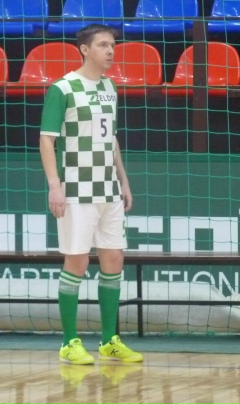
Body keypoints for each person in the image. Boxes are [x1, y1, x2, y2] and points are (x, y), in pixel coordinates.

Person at [39, 24, 143, 365]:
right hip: (76, 190)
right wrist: (55, 186)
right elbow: (46, 141)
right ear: (85, 49)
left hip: (108, 189)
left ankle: (109, 340)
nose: (110, 51)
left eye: (112, 45)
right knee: (78, 261)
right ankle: (69, 342)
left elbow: (110, 138)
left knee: (114, 260)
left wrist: (123, 180)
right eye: (102, 45)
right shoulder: (63, 88)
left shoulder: (110, 87)